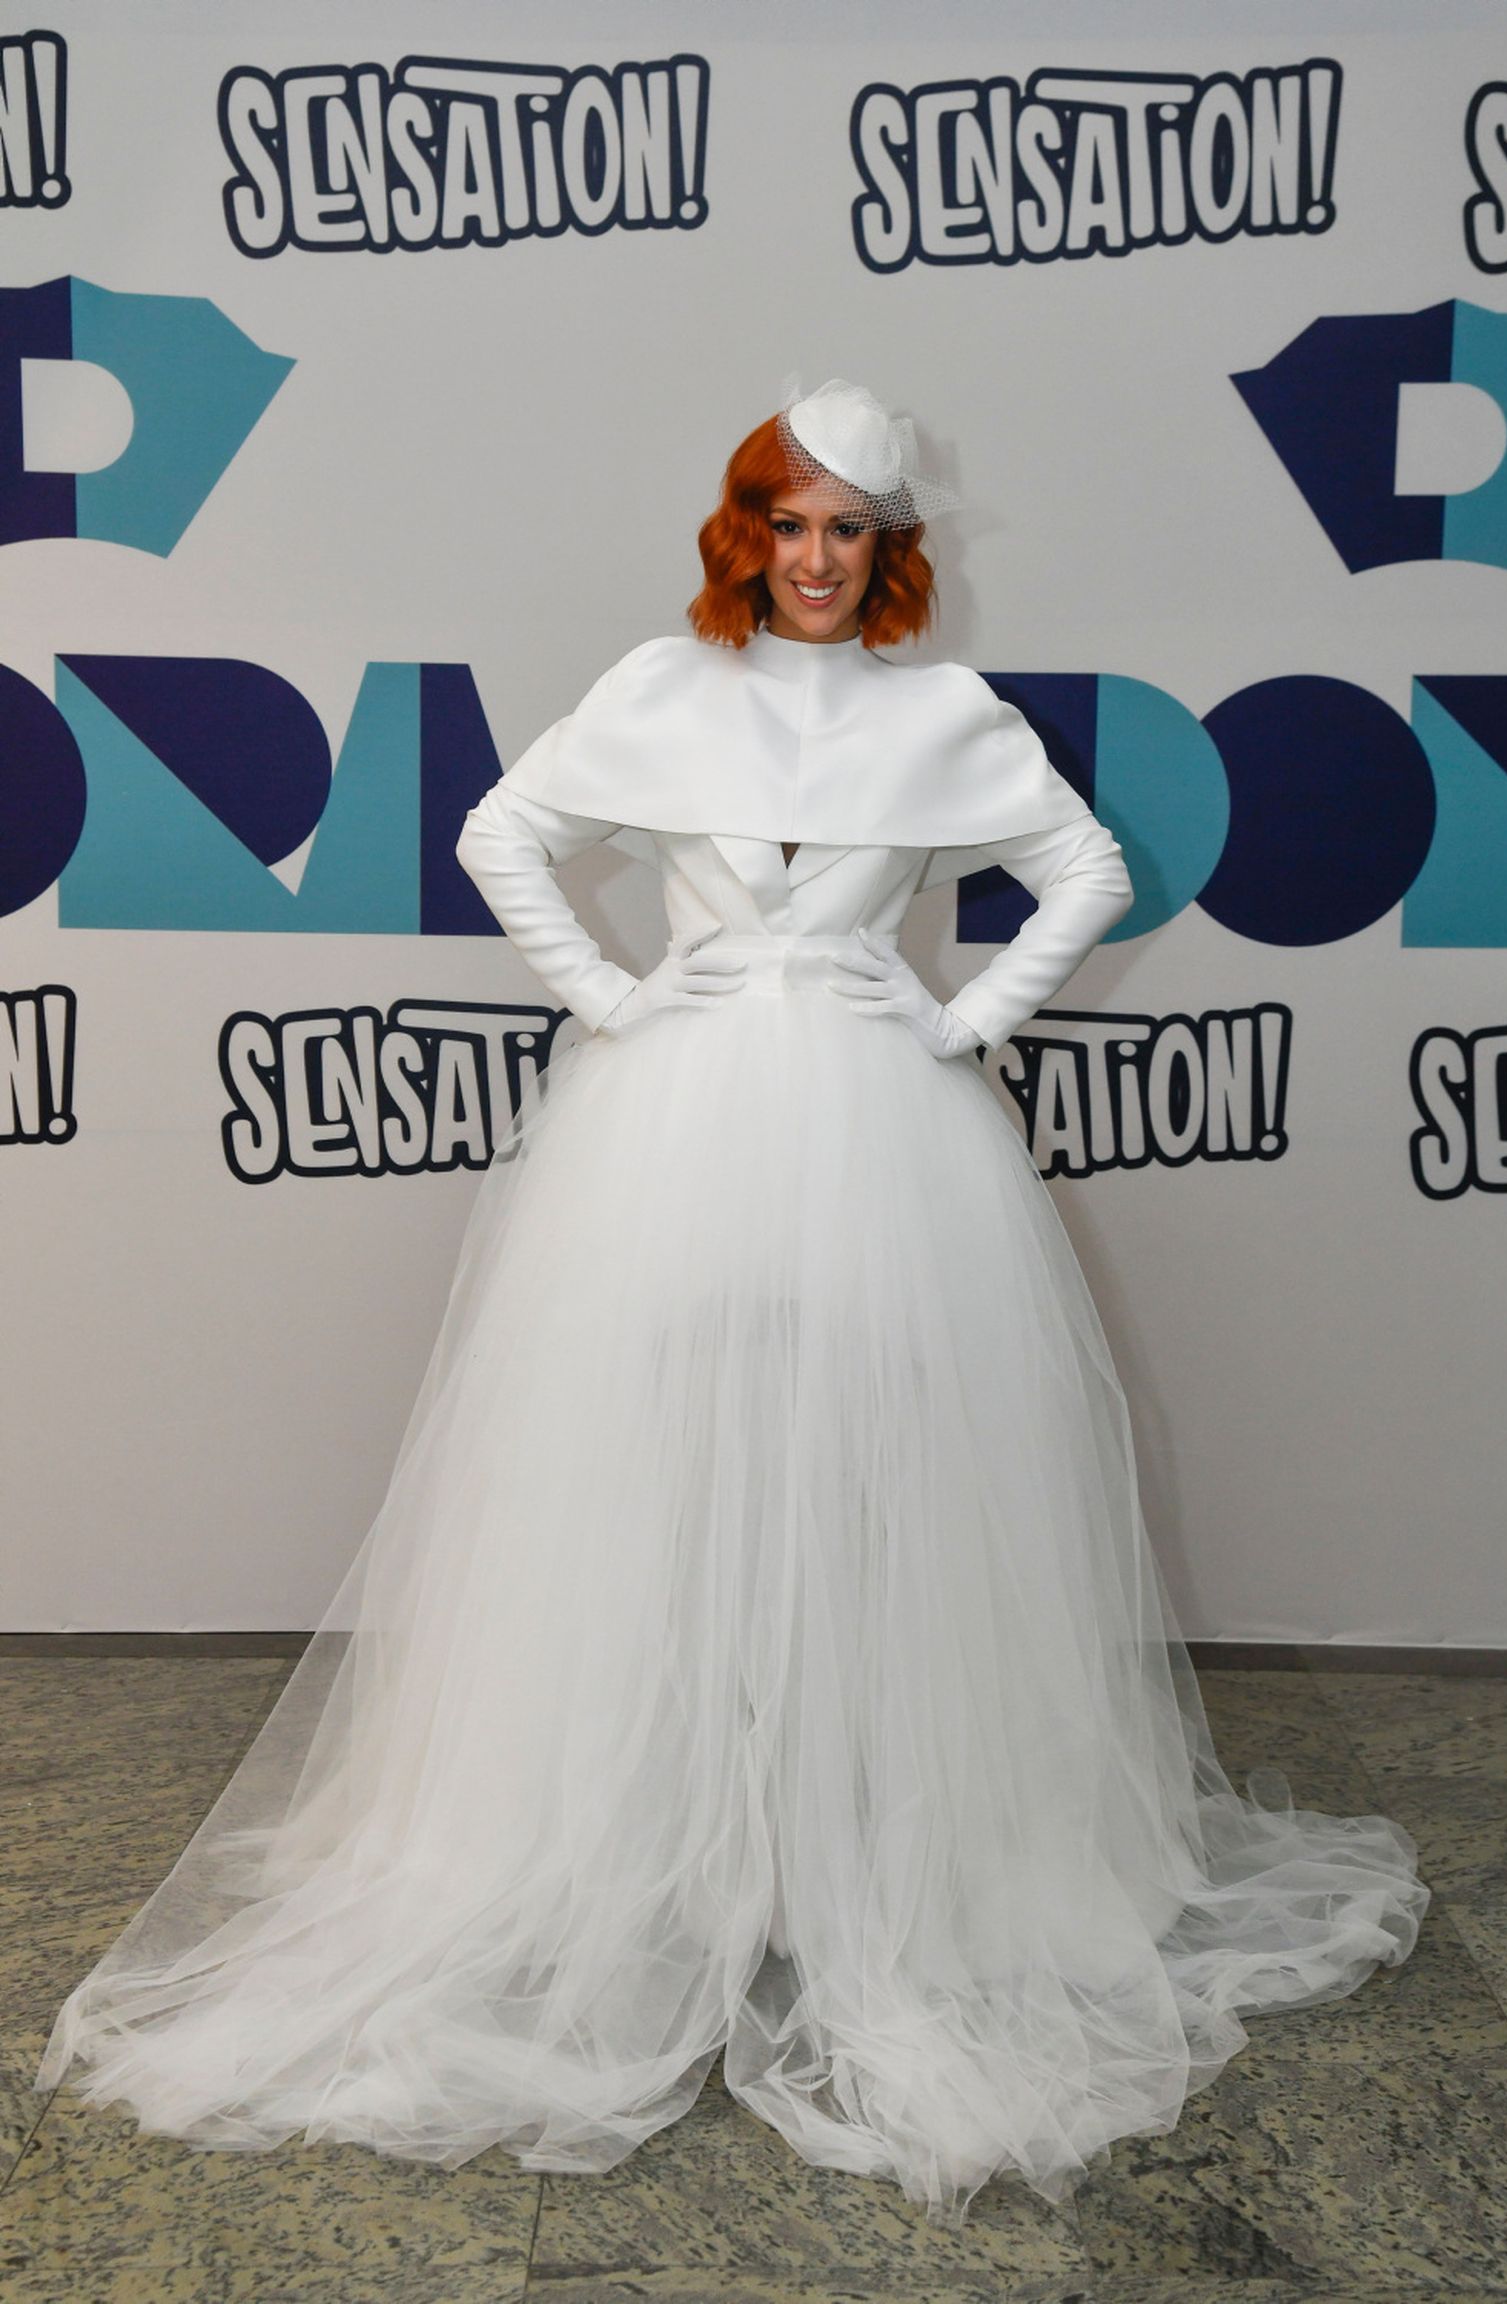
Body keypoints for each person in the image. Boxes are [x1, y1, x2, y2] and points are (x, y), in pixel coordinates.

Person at [37, 378, 1428, 2227]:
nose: (818, 558)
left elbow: (1084, 873)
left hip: (886, 1145)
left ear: (888, 546)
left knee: (871, 1481)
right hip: (668, 1142)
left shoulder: (941, 715)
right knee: (654, 1473)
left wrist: (962, 1018)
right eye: (791, 522)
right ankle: (653, 1844)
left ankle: (860, 1855)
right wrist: (615, 999)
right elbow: (503, 834)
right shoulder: (660, 686)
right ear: (745, 532)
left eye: (850, 528)